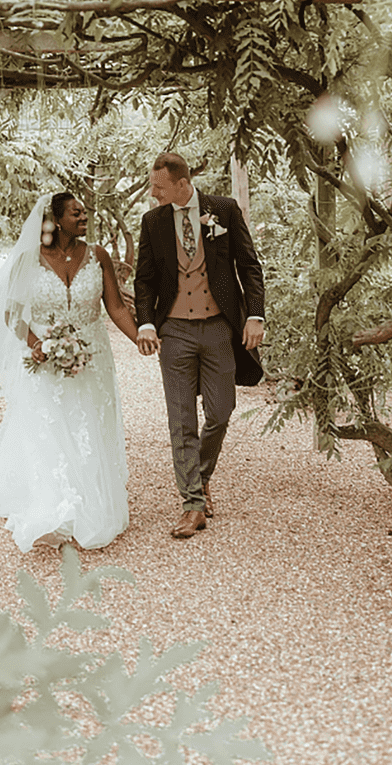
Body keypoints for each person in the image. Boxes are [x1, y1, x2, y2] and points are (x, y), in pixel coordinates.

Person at [0, 191, 138, 552]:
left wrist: (139, 336)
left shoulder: (98, 256)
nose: (84, 218)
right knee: (50, 431)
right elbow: (12, 315)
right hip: (46, 362)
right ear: (55, 220)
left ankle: (92, 497)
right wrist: (38, 344)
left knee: (90, 427)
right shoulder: (28, 262)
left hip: (93, 360)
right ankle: (55, 508)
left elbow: (115, 307)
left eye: (84, 213)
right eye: (76, 213)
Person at [133, 152, 265, 540]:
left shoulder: (223, 210)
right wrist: (145, 322)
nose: (153, 193)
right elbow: (144, 279)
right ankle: (192, 504)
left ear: (182, 184)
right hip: (174, 330)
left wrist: (255, 314)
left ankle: (201, 475)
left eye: (159, 187)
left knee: (221, 412)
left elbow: (249, 266)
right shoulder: (152, 222)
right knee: (181, 419)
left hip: (219, 326)